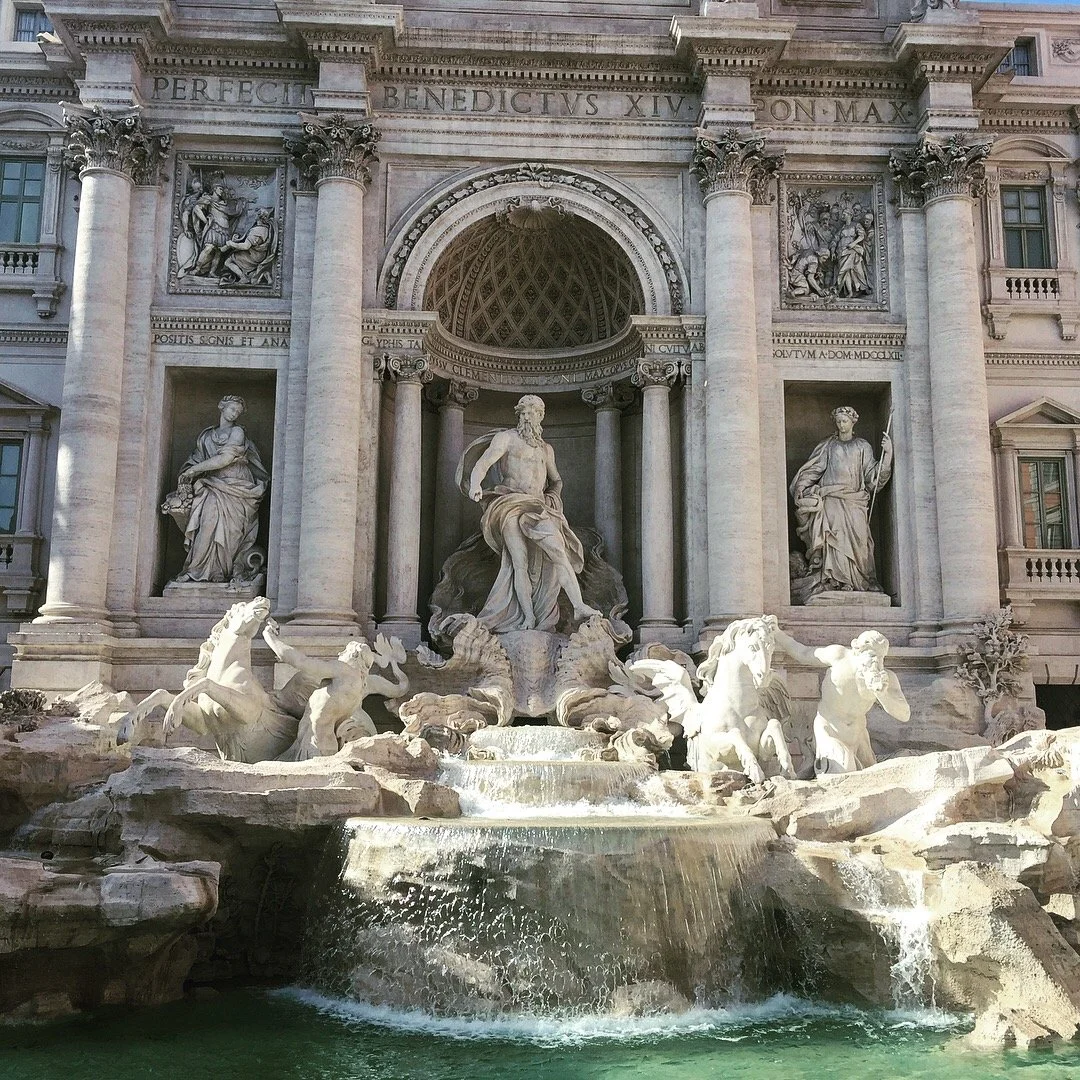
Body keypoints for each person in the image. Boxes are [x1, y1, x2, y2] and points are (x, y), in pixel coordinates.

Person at [460, 394, 599, 632]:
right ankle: (528, 618)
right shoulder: (507, 439)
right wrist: (475, 485)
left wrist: (553, 497)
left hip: (538, 507)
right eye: (522, 412)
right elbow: (483, 464)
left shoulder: (546, 450)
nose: (526, 417)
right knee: (519, 563)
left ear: (540, 416)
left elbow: (556, 480)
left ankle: (578, 606)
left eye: (531, 412)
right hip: (510, 504)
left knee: (558, 551)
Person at [261, 621, 409, 760]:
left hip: (314, 744)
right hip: (329, 742)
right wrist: (394, 664)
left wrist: (270, 637)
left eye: (344, 651)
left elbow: (301, 661)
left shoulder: (343, 670)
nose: (339, 654)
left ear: (352, 655)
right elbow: (401, 689)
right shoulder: (363, 684)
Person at [772, 626, 910, 775]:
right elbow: (805, 653)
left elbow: (904, 715)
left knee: (870, 778)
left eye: (880, 657)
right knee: (844, 770)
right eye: (871, 656)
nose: (876, 662)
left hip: (859, 735)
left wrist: (882, 695)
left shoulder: (886, 678)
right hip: (830, 729)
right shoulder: (839, 656)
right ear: (858, 651)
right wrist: (778, 634)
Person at [790, 405, 892, 599]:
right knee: (833, 540)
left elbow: (873, 477)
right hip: (831, 499)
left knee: (861, 542)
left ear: (853, 422)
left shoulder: (862, 446)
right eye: (838, 421)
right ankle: (834, 581)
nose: (841, 425)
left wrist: (887, 454)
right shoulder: (828, 445)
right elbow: (814, 470)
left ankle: (859, 580)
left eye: (844, 421)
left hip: (855, 501)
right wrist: (802, 487)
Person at [166, 395, 268, 585]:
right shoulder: (206, 436)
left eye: (238, 411)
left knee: (231, 532)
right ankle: (196, 569)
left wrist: (195, 470)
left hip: (238, 489)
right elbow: (195, 459)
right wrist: (189, 471)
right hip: (212, 486)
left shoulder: (237, 432)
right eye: (232, 409)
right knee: (208, 523)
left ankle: (222, 572)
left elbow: (225, 459)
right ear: (222, 407)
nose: (234, 413)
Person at [220, 207, 278, 286]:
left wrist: (231, 243)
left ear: (258, 216)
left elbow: (246, 246)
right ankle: (264, 273)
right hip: (261, 254)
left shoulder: (256, 231)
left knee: (228, 261)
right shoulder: (266, 228)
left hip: (253, 256)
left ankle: (243, 278)